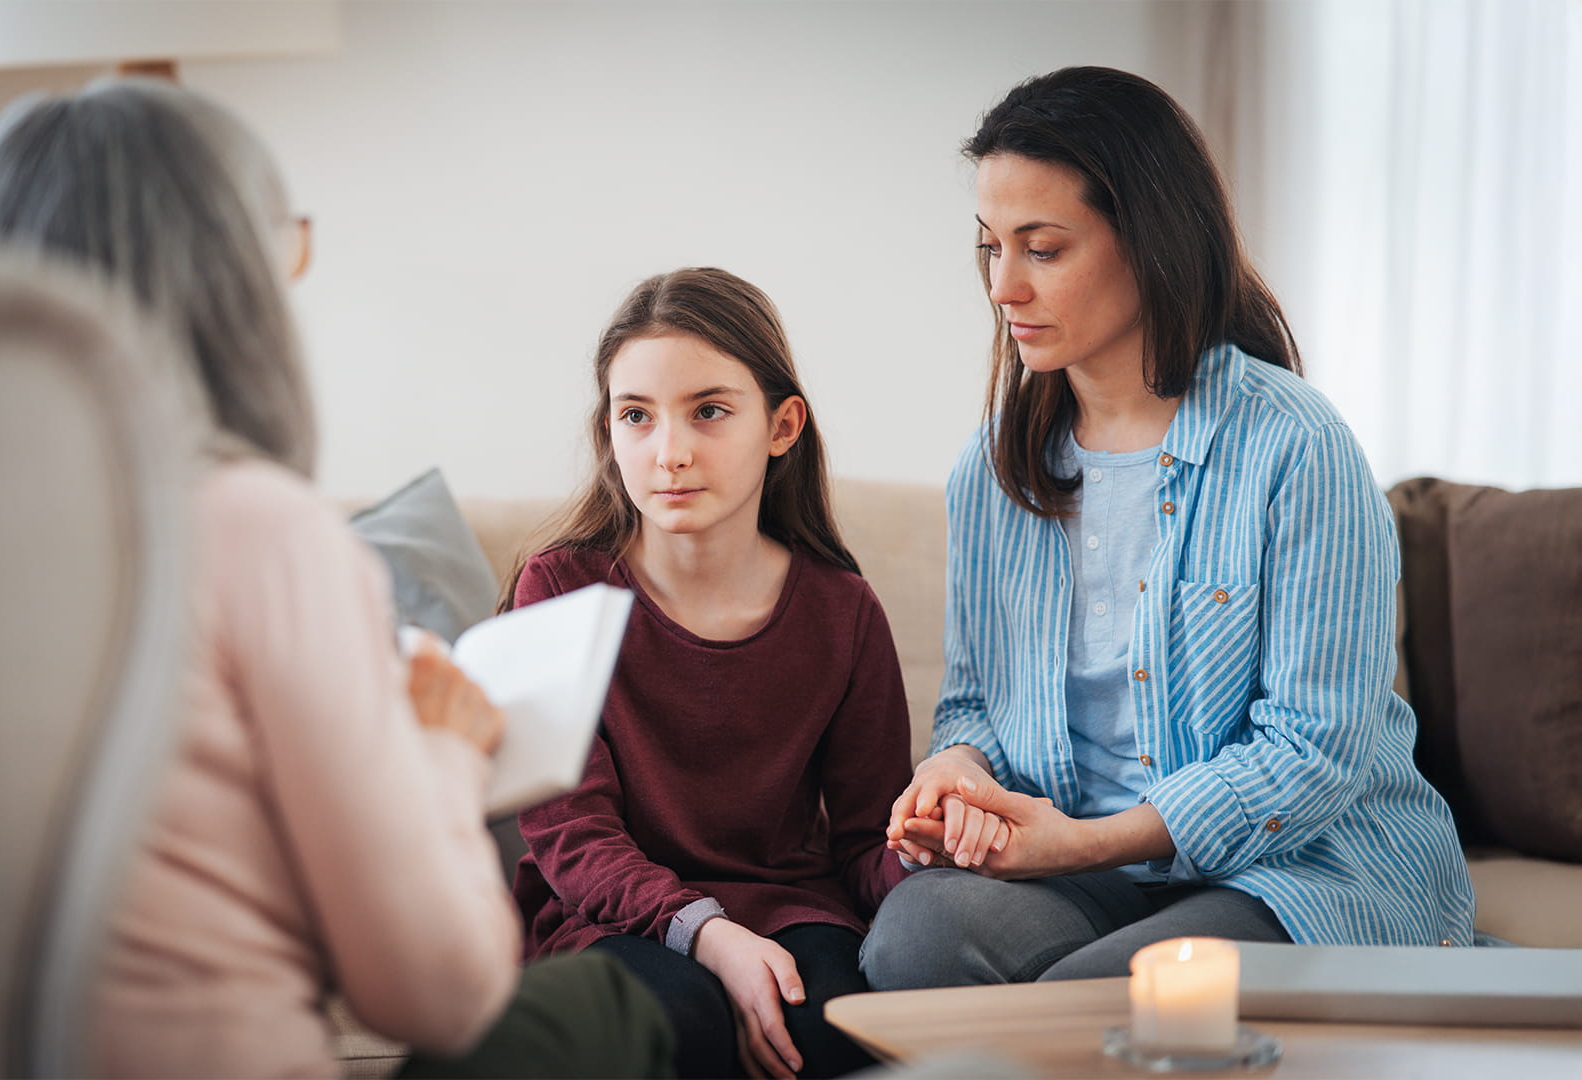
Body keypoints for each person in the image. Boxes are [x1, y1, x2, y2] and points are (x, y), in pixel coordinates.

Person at [0, 79, 673, 1078]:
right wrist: (449, 756)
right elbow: (436, 990)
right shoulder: (254, 527)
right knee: (598, 1004)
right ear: (232, 284)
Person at [860, 66, 1476, 993]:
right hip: (1089, 871)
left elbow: (1314, 752)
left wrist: (1080, 842)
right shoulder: (989, 470)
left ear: (1148, 240)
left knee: (1115, 997)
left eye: (1044, 248)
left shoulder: (1296, 446)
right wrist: (958, 767)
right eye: (991, 247)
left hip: (1298, 868)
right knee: (913, 944)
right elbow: (976, 701)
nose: (1003, 286)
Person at [506, 268, 912, 1079]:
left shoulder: (844, 609)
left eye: (710, 411)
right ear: (609, 431)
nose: (671, 453)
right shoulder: (556, 590)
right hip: (607, 919)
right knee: (677, 1022)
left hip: (794, 912)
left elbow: (868, 841)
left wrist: (929, 846)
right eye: (637, 417)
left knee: (825, 1037)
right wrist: (708, 934)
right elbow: (568, 833)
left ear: (783, 425)